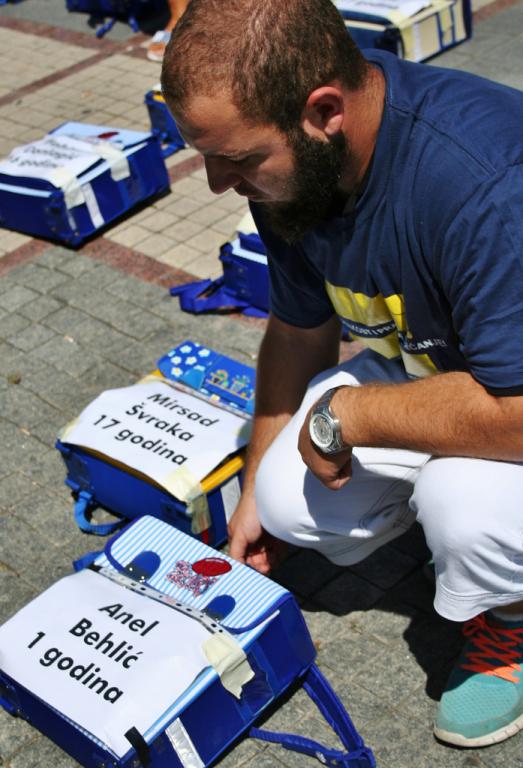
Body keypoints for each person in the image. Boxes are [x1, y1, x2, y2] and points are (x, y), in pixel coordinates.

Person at [161, 0, 523, 749]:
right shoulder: (299, 168)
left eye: (235, 159)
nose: (215, 183)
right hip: (456, 379)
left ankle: (511, 627)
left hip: (512, 404)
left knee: (463, 502)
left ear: (323, 110)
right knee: (285, 501)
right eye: (206, 154)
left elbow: (515, 414)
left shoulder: (486, 184)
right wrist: (254, 490)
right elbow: (298, 333)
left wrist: (351, 418)